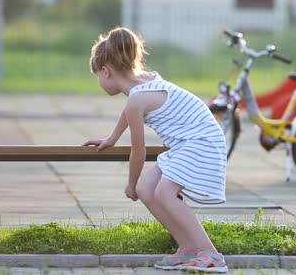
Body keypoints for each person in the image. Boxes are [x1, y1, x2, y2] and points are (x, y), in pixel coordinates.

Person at [82, 27, 228, 273]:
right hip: (188, 143)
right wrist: (112, 137)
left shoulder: (137, 100)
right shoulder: (145, 82)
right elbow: (128, 112)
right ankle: (188, 249)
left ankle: (211, 254)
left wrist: (130, 183)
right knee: (147, 189)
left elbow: (137, 153)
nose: (98, 81)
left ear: (105, 72)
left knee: (163, 192)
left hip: (200, 142)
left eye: (97, 75)